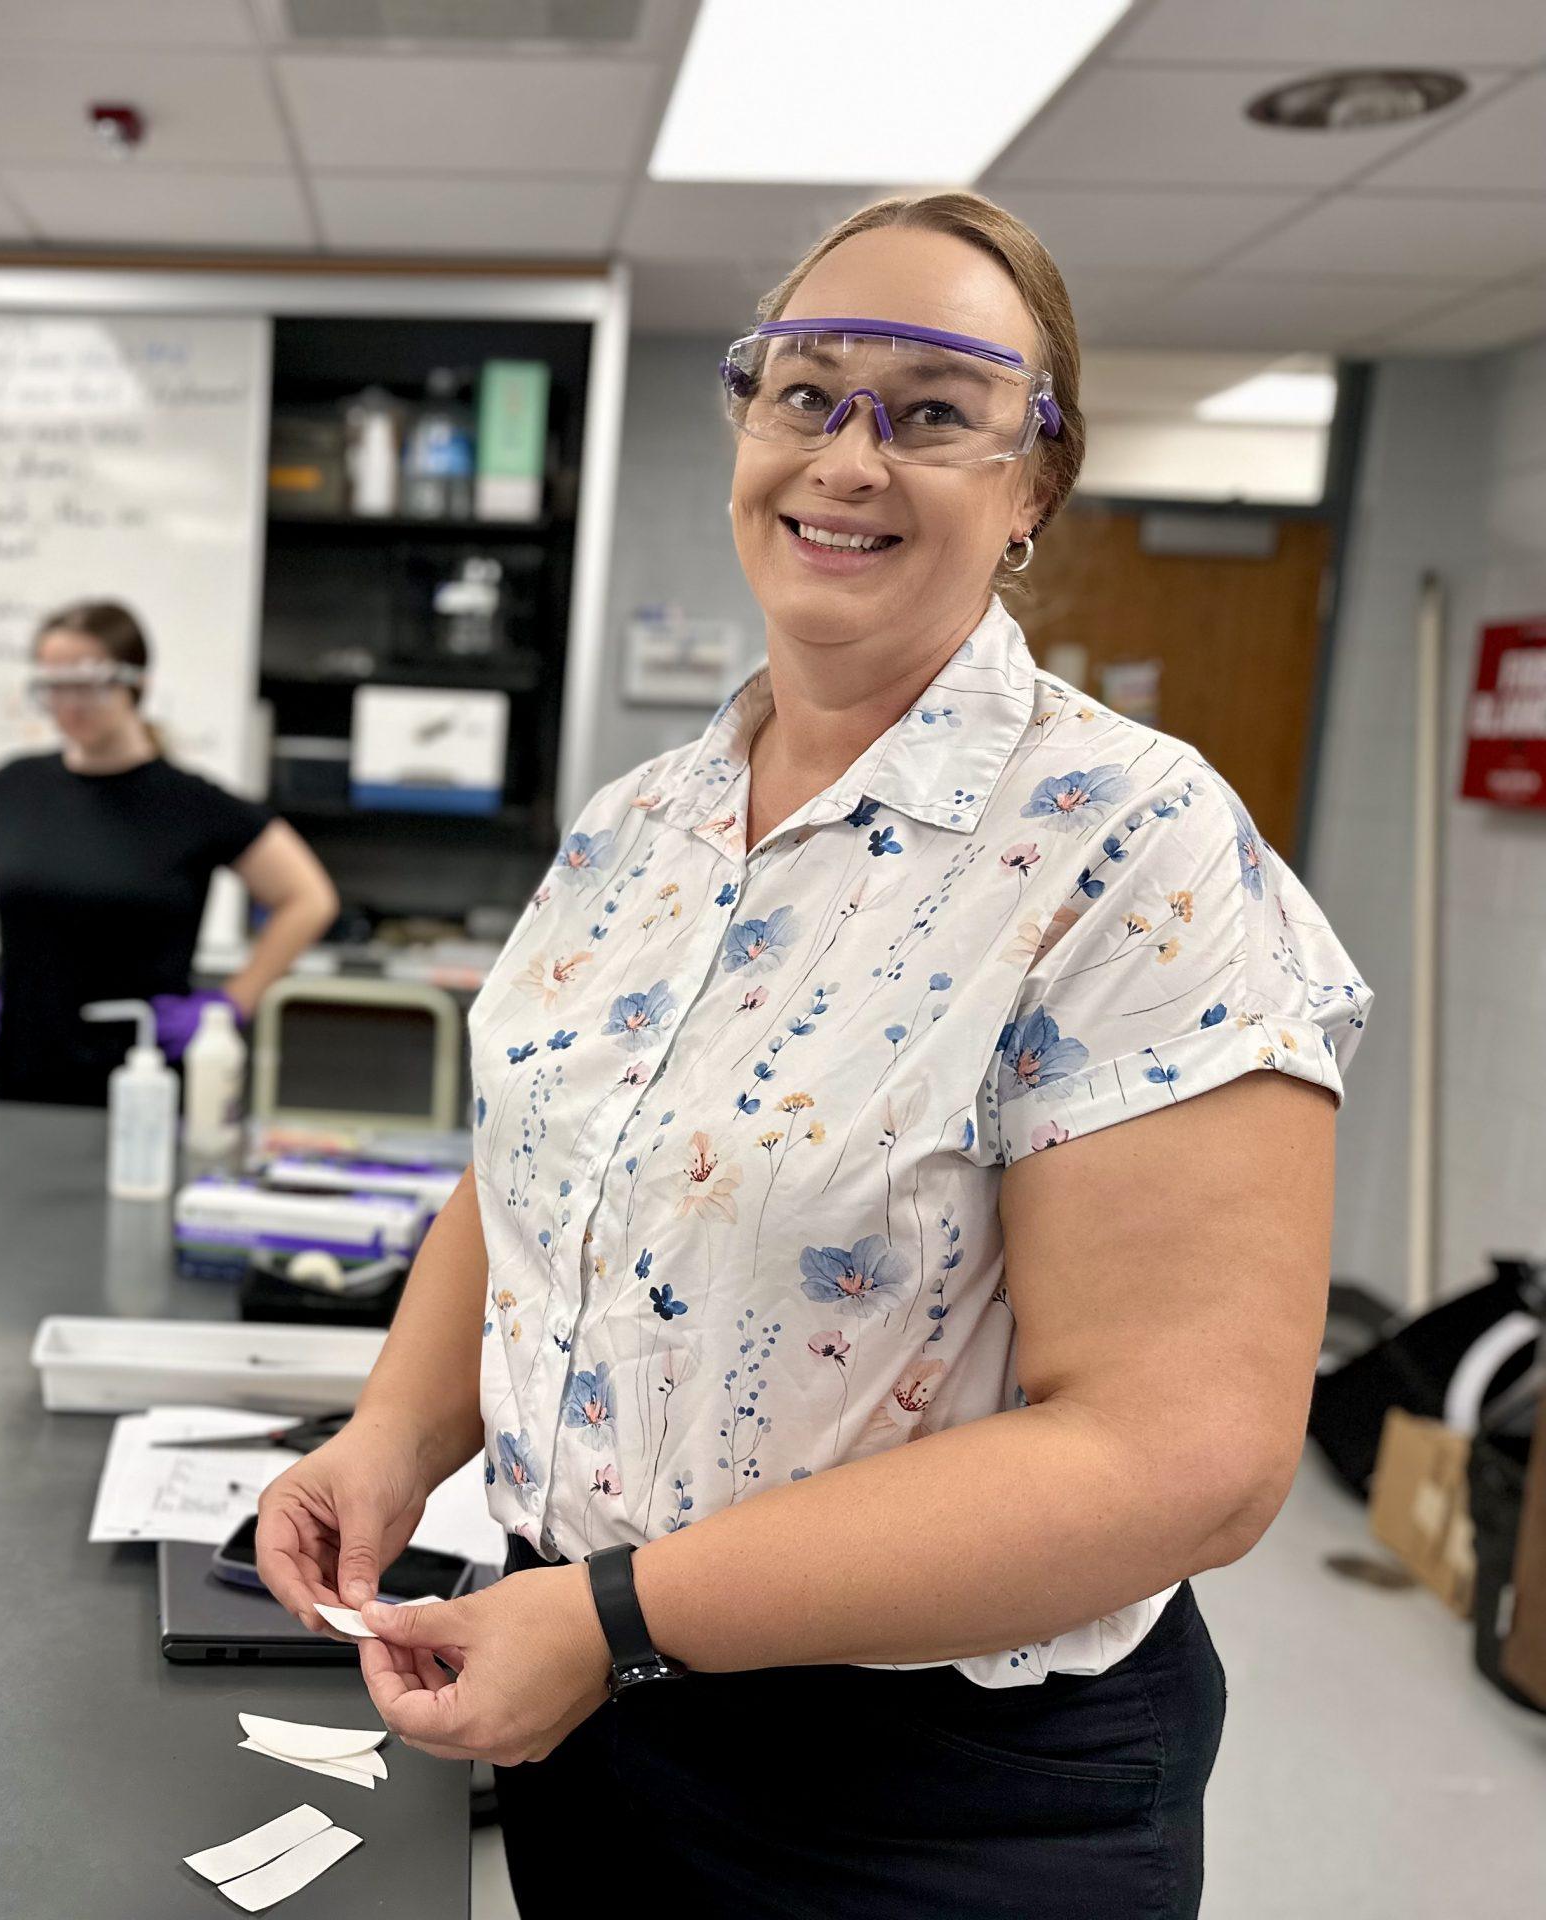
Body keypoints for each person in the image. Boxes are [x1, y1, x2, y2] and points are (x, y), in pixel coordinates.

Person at [256, 192, 1371, 1918]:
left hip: (933, 1800)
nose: (849, 457)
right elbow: (545, 1159)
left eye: (932, 412)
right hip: (594, 1721)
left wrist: (621, 1615)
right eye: (804, 393)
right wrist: (392, 1442)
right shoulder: (641, 828)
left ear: (1034, 488)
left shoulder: (1134, 850)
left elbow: (1182, 1455)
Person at [0, 600, 338, 1107]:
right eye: (54, 686)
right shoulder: (13, 787)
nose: (70, 703)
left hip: (143, 1082)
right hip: (18, 1074)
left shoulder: (192, 804)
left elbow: (308, 897)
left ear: (137, 682)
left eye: (87, 683)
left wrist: (233, 1002)